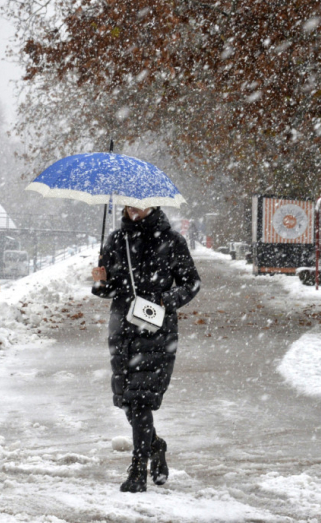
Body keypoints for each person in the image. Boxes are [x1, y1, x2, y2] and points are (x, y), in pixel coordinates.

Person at [91, 205, 201, 493]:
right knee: (127, 400)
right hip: (122, 329)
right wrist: (101, 282)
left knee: (141, 398)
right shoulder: (116, 240)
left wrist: (167, 299)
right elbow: (110, 290)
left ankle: (138, 469)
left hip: (156, 327)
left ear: (153, 204)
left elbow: (192, 282)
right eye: (128, 203)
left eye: (139, 203)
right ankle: (156, 446)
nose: (133, 208)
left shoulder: (172, 240)